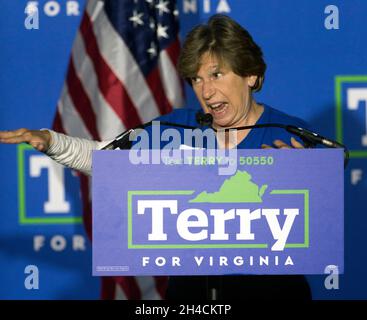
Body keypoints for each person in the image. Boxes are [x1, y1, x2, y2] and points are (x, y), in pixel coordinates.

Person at [0, 14, 311, 300]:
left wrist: (310, 174)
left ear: (251, 75)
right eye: (197, 79)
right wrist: (52, 141)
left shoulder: (290, 134)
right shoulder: (175, 128)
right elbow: (105, 159)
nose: (206, 91)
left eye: (216, 74)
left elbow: (331, 176)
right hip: (191, 297)